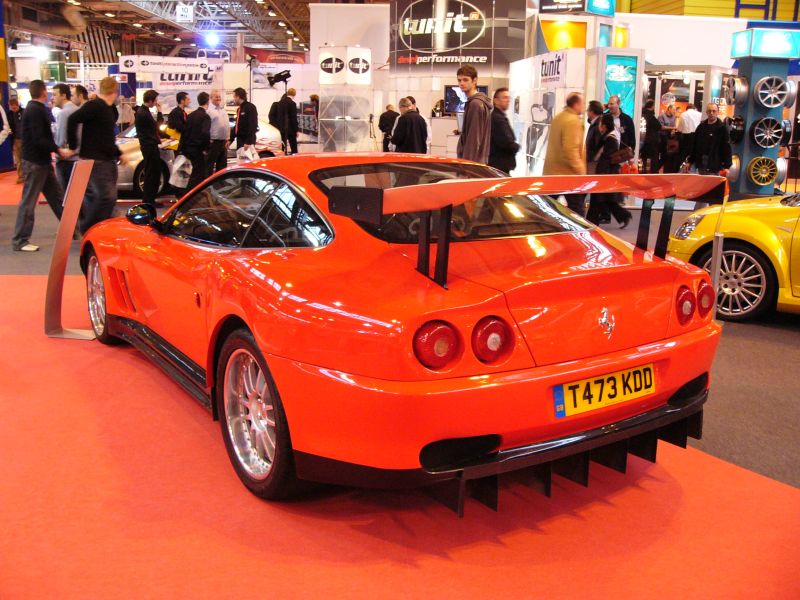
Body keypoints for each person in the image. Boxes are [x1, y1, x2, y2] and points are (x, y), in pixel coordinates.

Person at [11, 80, 67, 252]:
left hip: (40, 161)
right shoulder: (35, 110)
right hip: (35, 162)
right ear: (44, 92)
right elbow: (39, 138)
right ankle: (20, 240)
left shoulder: (35, 109)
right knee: (29, 200)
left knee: (56, 197)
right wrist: (57, 150)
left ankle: (72, 229)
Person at [65, 75, 123, 234]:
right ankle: (87, 227)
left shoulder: (108, 108)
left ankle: (100, 228)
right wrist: (73, 146)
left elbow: (107, 136)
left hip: (107, 158)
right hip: (96, 159)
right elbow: (73, 119)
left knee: (105, 197)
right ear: (115, 91)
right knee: (106, 196)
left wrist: (118, 153)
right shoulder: (95, 106)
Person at [543, 92, 586, 216]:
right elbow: (570, 150)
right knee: (577, 211)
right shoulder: (573, 121)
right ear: (576, 104)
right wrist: (581, 171)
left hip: (552, 172)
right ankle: (578, 233)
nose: (584, 106)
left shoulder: (559, 117)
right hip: (568, 174)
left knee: (547, 207)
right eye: (582, 103)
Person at [587, 113, 632, 228]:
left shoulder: (609, 138)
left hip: (605, 173)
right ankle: (624, 216)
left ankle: (591, 222)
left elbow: (607, 157)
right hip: (606, 172)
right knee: (606, 199)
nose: (599, 126)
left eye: (601, 124)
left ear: (605, 126)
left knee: (598, 198)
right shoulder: (609, 136)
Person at [455, 64, 492, 163]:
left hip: (472, 165)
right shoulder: (477, 102)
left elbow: (473, 140)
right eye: (459, 80)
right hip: (478, 162)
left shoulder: (476, 104)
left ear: (474, 80)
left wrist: (466, 167)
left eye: (465, 80)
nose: (461, 83)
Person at [178, 91, 211, 193]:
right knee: (198, 173)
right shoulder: (205, 117)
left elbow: (184, 132)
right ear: (208, 101)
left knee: (196, 172)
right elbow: (205, 134)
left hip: (189, 148)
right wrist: (206, 148)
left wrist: (183, 148)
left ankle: (195, 194)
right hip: (198, 149)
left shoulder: (191, 115)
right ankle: (190, 195)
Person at [135, 90, 162, 207]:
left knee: (152, 172)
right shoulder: (143, 113)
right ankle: (148, 200)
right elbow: (156, 126)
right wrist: (160, 112)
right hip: (149, 147)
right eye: (155, 100)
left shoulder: (143, 111)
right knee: (151, 173)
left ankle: (149, 199)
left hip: (149, 146)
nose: (156, 102)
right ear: (150, 100)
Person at [52, 84, 79, 194]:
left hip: (66, 161)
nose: (53, 98)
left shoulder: (63, 113)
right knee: (77, 195)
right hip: (78, 158)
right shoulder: (78, 110)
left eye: (55, 95)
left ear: (63, 95)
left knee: (66, 196)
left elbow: (61, 140)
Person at [488, 88, 519, 174]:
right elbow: (506, 142)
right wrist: (516, 147)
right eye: (505, 97)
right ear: (496, 100)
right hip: (499, 166)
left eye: (509, 98)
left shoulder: (499, 117)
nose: (508, 100)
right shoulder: (497, 119)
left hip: (499, 165)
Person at [206, 89, 230, 176]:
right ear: (211, 98)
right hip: (213, 142)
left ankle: (221, 185)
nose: (218, 98)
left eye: (219, 97)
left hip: (223, 142)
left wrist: (227, 138)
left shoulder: (222, 110)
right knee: (209, 165)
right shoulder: (208, 111)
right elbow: (206, 127)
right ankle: (207, 185)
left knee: (222, 166)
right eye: (216, 97)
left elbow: (226, 125)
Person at [640, 99, 662, 174]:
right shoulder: (651, 116)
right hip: (652, 140)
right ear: (652, 106)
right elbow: (659, 126)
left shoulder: (641, 114)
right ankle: (653, 173)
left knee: (644, 158)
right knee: (654, 158)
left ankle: (643, 171)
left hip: (643, 140)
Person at [275, 88, 299, 155]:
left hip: (281, 127)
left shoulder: (280, 103)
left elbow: (279, 116)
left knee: (282, 145)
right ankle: (294, 159)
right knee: (293, 145)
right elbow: (293, 118)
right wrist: (296, 130)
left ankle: (282, 158)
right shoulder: (292, 103)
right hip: (290, 128)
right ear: (294, 94)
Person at [658, 104, 680, 173]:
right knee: (664, 155)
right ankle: (657, 167)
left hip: (670, 138)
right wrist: (673, 128)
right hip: (662, 137)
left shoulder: (674, 117)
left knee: (669, 155)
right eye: (673, 109)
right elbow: (661, 127)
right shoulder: (661, 116)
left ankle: (666, 170)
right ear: (669, 109)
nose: (674, 111)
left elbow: (673, 126)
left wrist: (673, 131)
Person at [585, 100, 604, 175]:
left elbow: (598, 145)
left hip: (593, 162)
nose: (587, 112)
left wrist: (593, 159)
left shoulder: (598, 125)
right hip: (592, 160)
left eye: (588, 110)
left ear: (592, 112)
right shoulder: (595, 123)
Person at [8, 97, 24, 184]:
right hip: (15, 140)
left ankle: (28, 175)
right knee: (18, 160)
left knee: (26, 159)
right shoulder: (8, 114)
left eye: (15, 107)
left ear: (18, 105)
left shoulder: (24, 112)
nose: (14, 109)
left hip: (25, 140)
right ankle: (21, 176)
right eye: (12, 107)